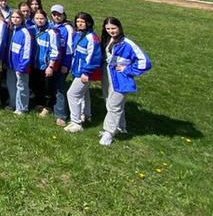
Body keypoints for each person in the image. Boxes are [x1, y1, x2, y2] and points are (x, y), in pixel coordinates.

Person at [99, 17, 151, 146]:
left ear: (120, 28)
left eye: (114, 28)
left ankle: (108, 133)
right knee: (109, 101)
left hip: (121, 78)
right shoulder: (108, 40)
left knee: (114, 105)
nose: (111, 31)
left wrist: (128, 69)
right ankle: (121, 127)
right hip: (107, 74)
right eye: (108, 29)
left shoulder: (128, 44)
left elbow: (145, 62)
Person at [65, 12, 102, 133]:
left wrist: (86, 72)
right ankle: (86, 115)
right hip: (78, 70)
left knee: (72, 94)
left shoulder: (92, 38)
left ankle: (76, 122)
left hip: (84, 72)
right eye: (78, 21)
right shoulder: (79, 34)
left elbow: (93, 58)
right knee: (84, 93)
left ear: (89, 23)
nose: (79, 24)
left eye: (82, 22)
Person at [31, 10, 63, 119]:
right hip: (35, 64)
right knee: (38, 85)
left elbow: (55, 50)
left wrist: (50, 66)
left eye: (42, 18)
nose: (39, 21)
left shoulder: (52, 32)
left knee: (48, 87)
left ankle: (48, 107)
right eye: (37, 18)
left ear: (46, 19)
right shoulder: (33, 30)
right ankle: (40, 103)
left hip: (46, 65)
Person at [49, 4, 73, 126]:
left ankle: (61, 115)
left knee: (59, 87)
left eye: (59, 14)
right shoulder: (51, 26)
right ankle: (52, 107)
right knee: (52, 86)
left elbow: (69, 48)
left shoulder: (68, 29)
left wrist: (66, 64)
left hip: (62, 63)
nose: (56, 17)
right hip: (53, 62)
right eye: (54, 14)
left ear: (64, 15)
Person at [7, 9, 33, 115]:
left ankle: (22, 107)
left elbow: (26, 51)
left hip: (20, 65)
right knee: (11, 84)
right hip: (11, 64)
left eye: (17, 17)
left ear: (22, 19)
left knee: (21, 86)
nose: (15, 19)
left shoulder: (25, 33)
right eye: (13, 17)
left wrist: (22, 66)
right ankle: (13, 103)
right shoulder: (12, 30)